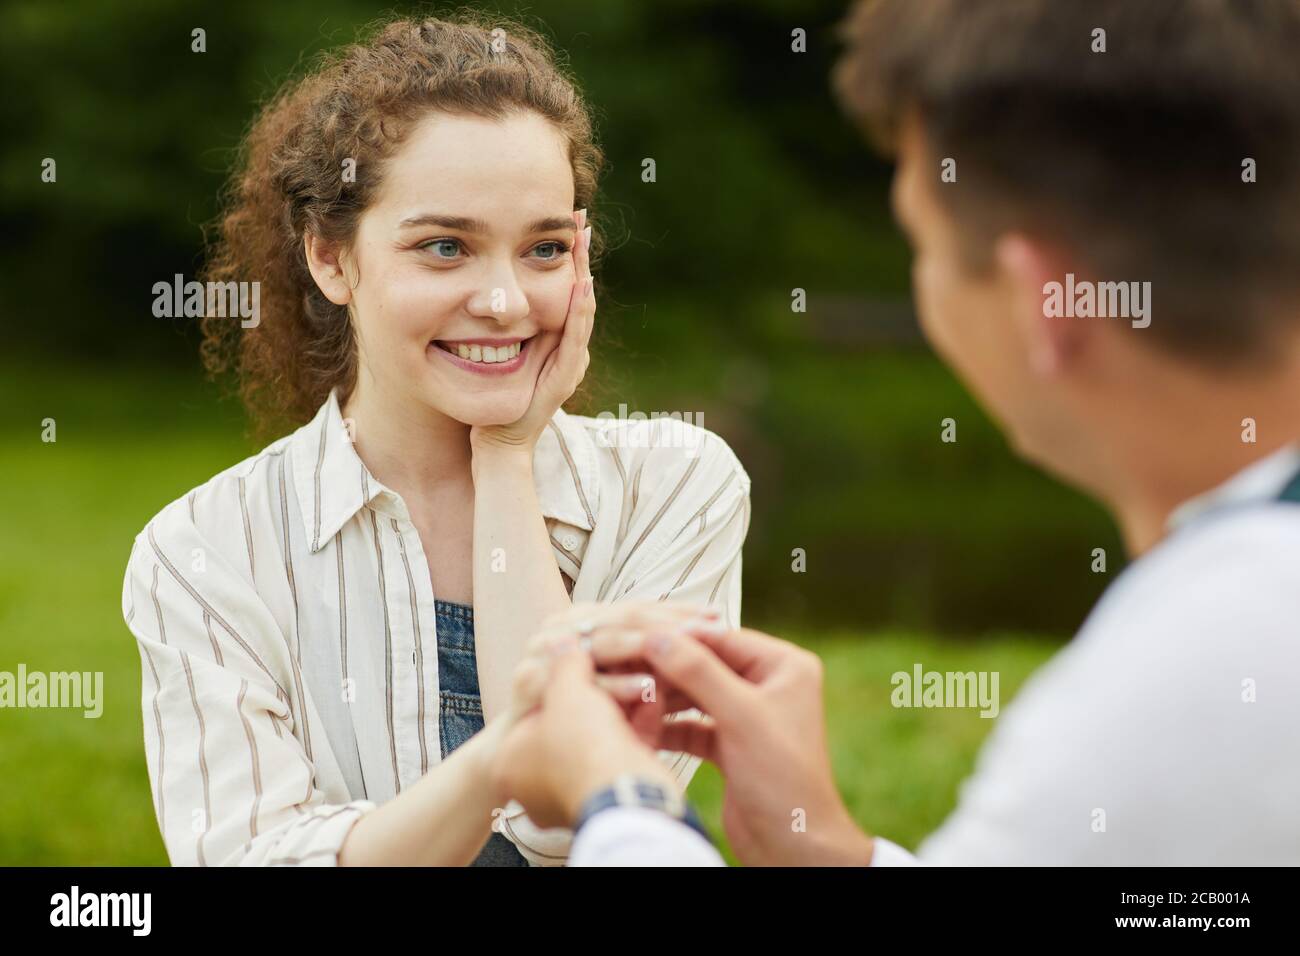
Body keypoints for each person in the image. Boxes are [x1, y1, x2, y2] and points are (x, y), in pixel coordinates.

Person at [491, 0, 1300, 865]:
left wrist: (621, 799)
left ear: (1046, 303)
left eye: (924, 245)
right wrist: (838, 854)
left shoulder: (1198, 674)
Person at [120, 14, 750, 867]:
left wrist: (507, 456)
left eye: (545, 248)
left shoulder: (680, 486)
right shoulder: (202, 553)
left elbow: (577, 821)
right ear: (331, 260)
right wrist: (507, 761)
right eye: (445, 247)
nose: (504, 301)